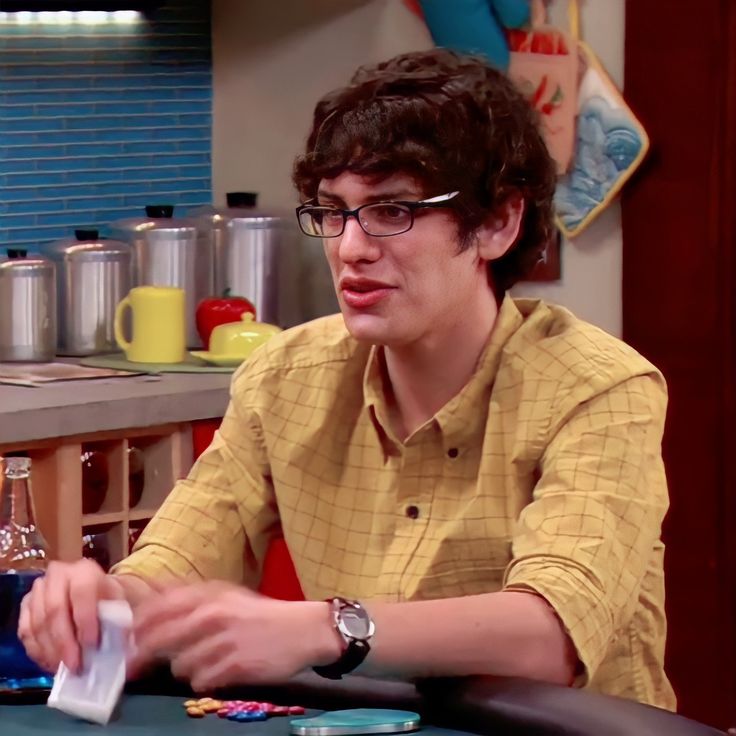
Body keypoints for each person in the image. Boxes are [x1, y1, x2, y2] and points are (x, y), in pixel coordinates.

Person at [18, 48, 675, 710]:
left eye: (394, 211)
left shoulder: (599, 388)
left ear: (497, 223)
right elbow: (177, 562)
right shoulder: (286, 377)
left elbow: (551, 634)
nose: (351, 247)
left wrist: (325, 628)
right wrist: (106, 603)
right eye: (335, 211)